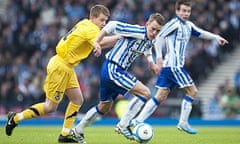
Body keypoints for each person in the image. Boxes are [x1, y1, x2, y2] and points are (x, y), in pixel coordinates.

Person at [5, 4, 120, 143]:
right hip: (60, 66)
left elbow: (100, 43)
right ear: (93, 17)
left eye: (106, 21)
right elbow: (102, 42)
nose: (104, 24)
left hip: (67, 66)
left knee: (77, 99)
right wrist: (120, 37)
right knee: (50, 107)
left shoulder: (85, 23)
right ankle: (15, 118)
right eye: (101, 20)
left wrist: (112, 42)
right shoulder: (91, 28)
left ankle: (65, 134)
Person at [131, 0, 229, 135]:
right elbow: (158, 38)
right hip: (173, 66)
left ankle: (137, 121)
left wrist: (216, 37)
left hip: (169, 67)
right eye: (183, 10)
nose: (186, 13)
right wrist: (158, 57)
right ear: (177, 11)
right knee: (192, 92)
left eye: (188, 11)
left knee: (159, 96)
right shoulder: (174, 24)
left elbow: (200, 32)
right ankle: (183, 122)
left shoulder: (188, 25)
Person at [69, 13, 165, 143]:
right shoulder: (137, 30)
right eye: (152, 29)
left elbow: (147, 47)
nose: (154, 33)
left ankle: (77, 131)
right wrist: (96, 42)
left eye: (158, 31)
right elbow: (112, 25)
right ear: (147, 24)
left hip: (110, 69)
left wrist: (151, 62)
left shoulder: (151, 38)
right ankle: (123, 125)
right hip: (113, 68)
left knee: (104, 107)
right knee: (145, 92)